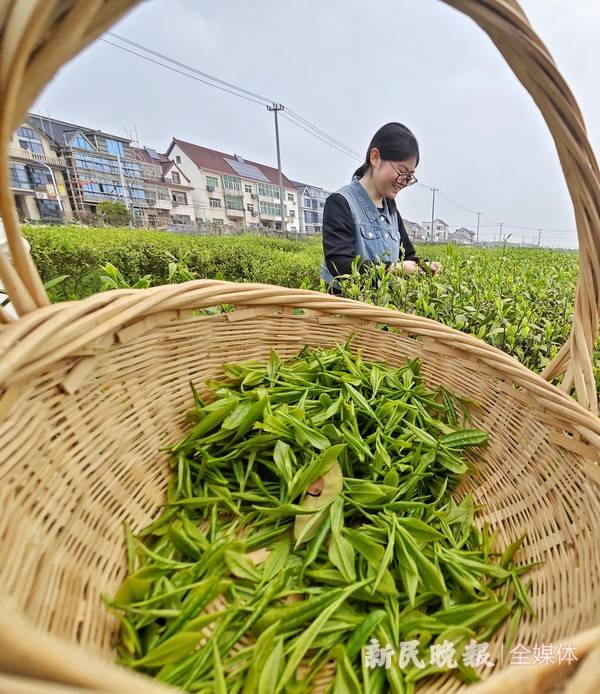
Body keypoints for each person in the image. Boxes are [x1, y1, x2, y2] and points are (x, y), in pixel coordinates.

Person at [321, 122, 442, 295]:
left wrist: (423, 266)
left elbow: (407, 255)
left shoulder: (391, 209)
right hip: (345, 309)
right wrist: (394, 269)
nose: (404, 182)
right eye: (402, 171)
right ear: (375, 157)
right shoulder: (341, 203)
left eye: (410, 176)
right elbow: (340, 265)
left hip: (381, 307)